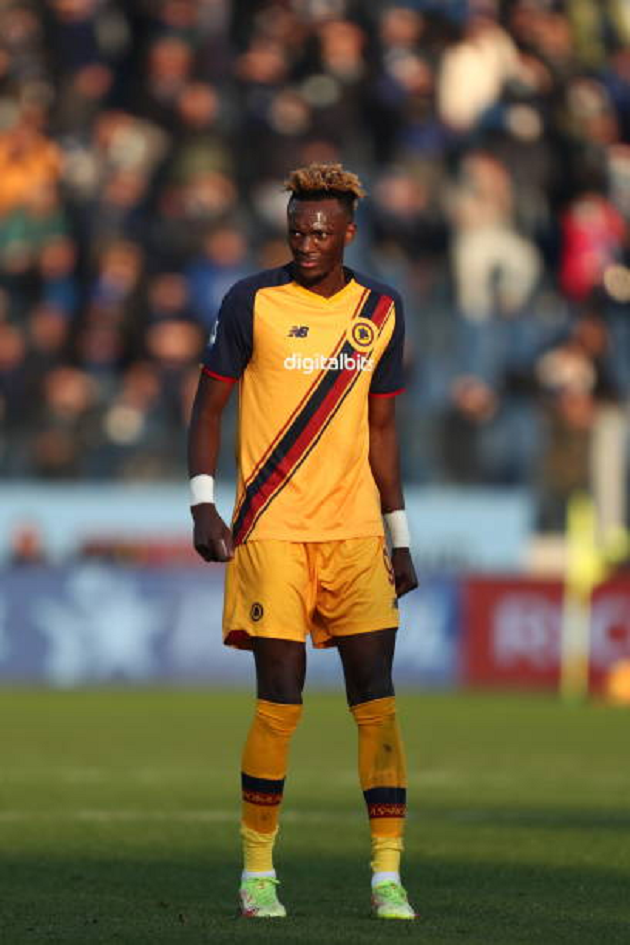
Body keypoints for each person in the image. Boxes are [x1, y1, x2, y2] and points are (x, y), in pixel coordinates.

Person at [187, 163, 419, 920]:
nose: (306, 241)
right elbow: (208, 407)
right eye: (296, 229)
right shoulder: (251, 300)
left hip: (356, 535)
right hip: (271, 532)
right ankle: (258, 873)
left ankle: (387, 875)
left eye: (320, 231)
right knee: (278, 702)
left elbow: (383, 430)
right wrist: (203, 504)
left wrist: (400, 535)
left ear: (349, 232)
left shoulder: (381, 309)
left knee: (376, 704)